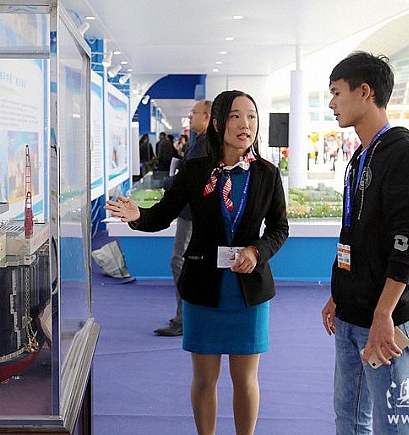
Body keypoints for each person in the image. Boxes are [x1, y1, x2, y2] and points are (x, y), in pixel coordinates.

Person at [106, 90, 288, 435]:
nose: (245, 124)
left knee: (246, 380)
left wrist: (256, 251)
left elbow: (280, 228)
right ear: (218, 123)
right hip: (203, 287)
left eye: (251, 116)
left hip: (248, 292)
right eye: (235, 116)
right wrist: (137, 215)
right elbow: (163, 214)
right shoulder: (195, 170)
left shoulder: (267, 173)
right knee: (205, 380)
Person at [321, 52, 409, 435]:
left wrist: (382, 314)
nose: (332, 103)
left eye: (337, 92)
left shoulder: (406, 154)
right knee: (349, 418)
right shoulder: (361, 156)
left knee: (394, 424)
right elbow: (355, 234)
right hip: (352, 314)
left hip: (385, 320)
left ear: (364, 92)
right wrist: (340, 291)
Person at [154, 100, 211, 337]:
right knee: (183, 262)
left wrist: (171, 183)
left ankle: (185, 317)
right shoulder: (201, 143)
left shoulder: (206, 146)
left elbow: (190, 181)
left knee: (179, 262)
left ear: (207, 117)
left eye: (194, 113)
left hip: (191, 214)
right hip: (190, 213)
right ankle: (186, 315)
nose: (190, 116)